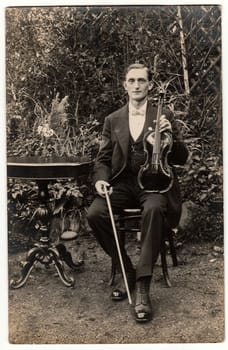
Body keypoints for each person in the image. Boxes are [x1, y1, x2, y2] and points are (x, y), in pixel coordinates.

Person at [87, 63, 188, 323]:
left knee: (154, 209)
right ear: (125, 85)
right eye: (131, 80)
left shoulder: (162, 114)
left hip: (154, 183)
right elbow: (103, 159)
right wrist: (100, 180)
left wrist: (171, 138)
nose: (136, 85)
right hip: (122, 184)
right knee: (95, 213)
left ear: (149, 85)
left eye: (141, 80)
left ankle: (143, 286)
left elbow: (181, 158)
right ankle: (127, 269)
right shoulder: (113, 119)